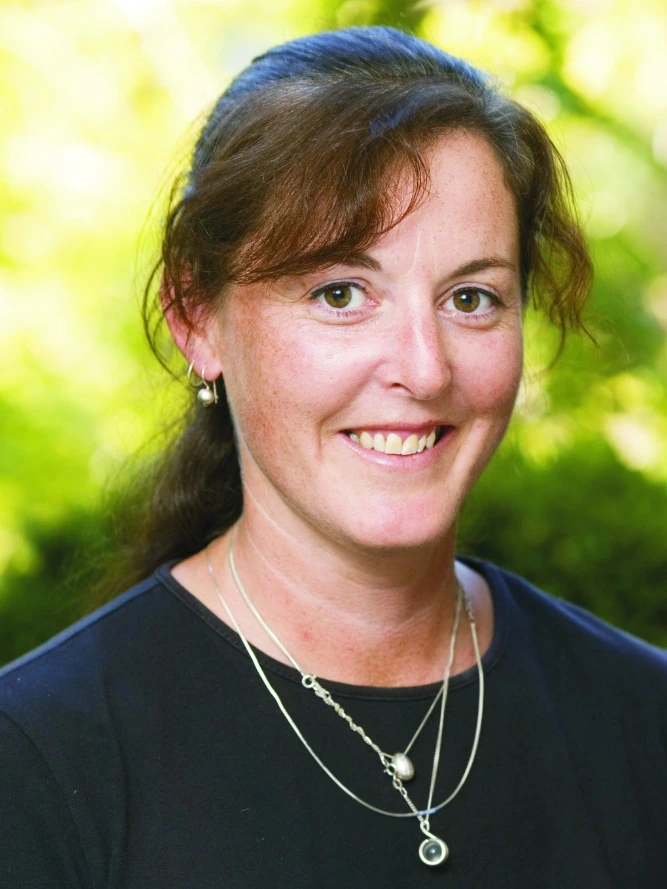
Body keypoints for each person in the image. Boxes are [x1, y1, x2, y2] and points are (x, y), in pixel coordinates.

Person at [1, 25, 665, 889]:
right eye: (340, 293)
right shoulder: (38, 760)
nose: (423, 368)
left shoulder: (642, 720)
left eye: (471, 297)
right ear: (196, 317)